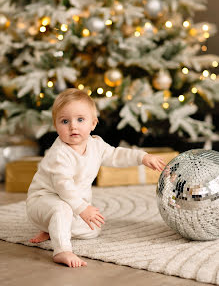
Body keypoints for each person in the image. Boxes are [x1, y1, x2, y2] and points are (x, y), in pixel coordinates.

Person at [26, 88, 165, 268]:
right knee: (61, 210)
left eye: (80, 120)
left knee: (91, 231)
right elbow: (63, 186)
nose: (73, 126)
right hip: (42, 201)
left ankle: (52, 229)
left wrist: (142, 157)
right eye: (65, 121)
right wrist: (82, 208)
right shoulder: (59, 154)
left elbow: (117, 155)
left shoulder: (96, 145)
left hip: (70, 202)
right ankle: (62, 250)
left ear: (93, 123)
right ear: (56, 125)